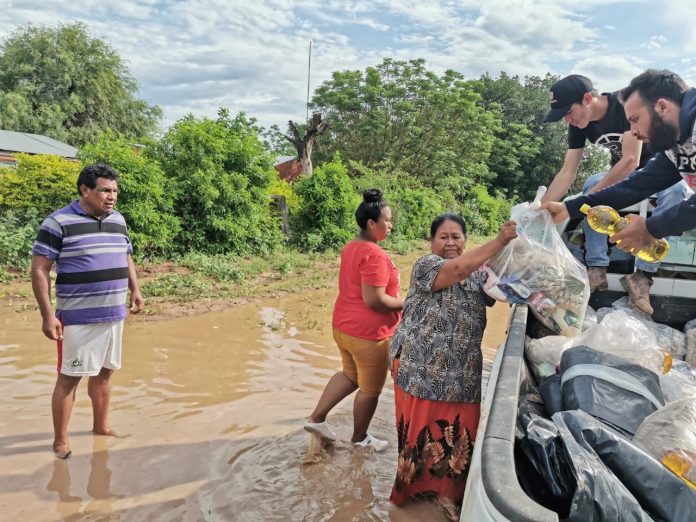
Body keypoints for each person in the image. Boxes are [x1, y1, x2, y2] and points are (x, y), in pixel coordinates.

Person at [389, 214, 517, 520]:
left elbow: (503, 284)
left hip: (462, 374)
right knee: (420, 438)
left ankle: (449, 499)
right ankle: (411, 503)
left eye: (456, 236)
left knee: (460, 438)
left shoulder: (476, 272)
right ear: (431, 242)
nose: (450, 243)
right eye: (443, 237)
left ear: (465, 240)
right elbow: (456, 269)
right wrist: (500, 240)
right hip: (422, 371)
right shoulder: (427, 266)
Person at [541, 69, 696, 300]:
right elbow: (636, 186)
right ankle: (596, 266)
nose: (632, 132)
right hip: (630, 178)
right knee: (595, 184)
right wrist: (569, 208)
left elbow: (631, 162)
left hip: (643, 183)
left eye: (635, 120)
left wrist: (651, 228)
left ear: (662, 107)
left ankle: (644, 273)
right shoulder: (674, 146)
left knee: (674, 191)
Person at [31, 164, 144, 459]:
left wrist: (136, 290)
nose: (112, 197)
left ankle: (101, 427)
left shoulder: (118, 220)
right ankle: (60, 441)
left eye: (115, 191)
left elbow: (126, 256)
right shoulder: (58, 222)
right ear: (85, 190)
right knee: (69, 378)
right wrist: (47, 315)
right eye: (105, 190)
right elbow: (40, 269)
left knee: (106, 374)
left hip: (114, 314)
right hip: (78, 318)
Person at [304, 189, 404, 452]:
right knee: (370, 390)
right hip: (368, 334)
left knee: (351, 374)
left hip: (343, 328)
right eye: (387, 220)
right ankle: (360, 439)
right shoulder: (374, 254)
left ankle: (316, 419)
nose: (390, 225)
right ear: (372, 224)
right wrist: (409, 303)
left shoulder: (352, 246)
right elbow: (375, 300)